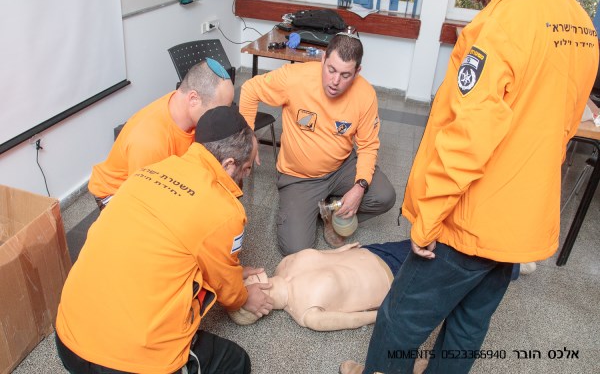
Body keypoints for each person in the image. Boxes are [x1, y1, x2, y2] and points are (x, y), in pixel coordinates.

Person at [340, 0, 599, 373]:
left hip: (472, 219)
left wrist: (428, 218)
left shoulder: (503, 22)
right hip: (520, 223)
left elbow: (468, 138)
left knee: (400, 319)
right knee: (469, 324)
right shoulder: (580, 24)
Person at [55, 107, 274, 374]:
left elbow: (178, 242)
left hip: (67, 335)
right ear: (229, 164)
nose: (245, 177)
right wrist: (244, 298)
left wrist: (233, 270)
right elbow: (225, 284)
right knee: (237, 362)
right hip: (120, 363)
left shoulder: (152, 170)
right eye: (247, 168)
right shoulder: (224, 210)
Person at [239, 32, 396, 255]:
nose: (335, 81)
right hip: (300, 177)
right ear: (323, 59)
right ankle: (314, 209)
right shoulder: (295, 78)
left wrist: (360, 187)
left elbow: (369, 145)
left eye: (345, 75)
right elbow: (249, 89)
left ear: (357, 72)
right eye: (331, 69)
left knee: (384, 196)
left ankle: (333, 212)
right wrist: (248, 136)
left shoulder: (365, 94)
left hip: (341, 167)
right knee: (296, 248)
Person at [88, 58, 235, 210]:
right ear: (193, 99)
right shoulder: (150, 141)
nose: (221, 117)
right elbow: (144, 203)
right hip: (118, 193)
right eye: (218, 110)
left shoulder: (181, 102)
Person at [229, 240, 412, 331]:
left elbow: (320, 254)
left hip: (377, 250)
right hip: (396, 279)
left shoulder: (283, 264)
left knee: (436, 234)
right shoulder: (308, 315)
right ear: (257, 309)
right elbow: (352, 320)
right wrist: (385, 314)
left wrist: (339, 250)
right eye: (246, 287)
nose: (247, 279)